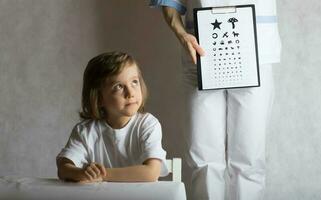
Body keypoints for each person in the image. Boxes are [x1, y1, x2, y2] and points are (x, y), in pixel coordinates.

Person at [149, 0, 281, 200]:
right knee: (204, 159)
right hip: (200, 53)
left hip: (257, 51)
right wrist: (182, 34)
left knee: (250, 160)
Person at [56, 51, 168, 183]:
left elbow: (151, 173)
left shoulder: (148, 124)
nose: (130, 93)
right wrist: (81, 173)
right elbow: (63, 168)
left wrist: (103, 175)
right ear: (99, 98)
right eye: (119, 86)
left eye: (134, 82)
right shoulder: (85, 131)